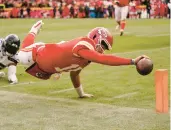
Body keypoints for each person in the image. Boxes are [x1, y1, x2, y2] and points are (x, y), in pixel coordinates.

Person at [18, 20, 148, 98]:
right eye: (102, 44)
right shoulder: (84, 44)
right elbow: (103, 59)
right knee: (18, 57)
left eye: (105, 47)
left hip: (46, 68)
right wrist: (132, 61)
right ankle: (33, 30)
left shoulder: (86, 58)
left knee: (21, 60)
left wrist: (81, 94)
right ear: (95, 37)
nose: (102, 49)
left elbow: (74, 75)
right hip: (38, 53)